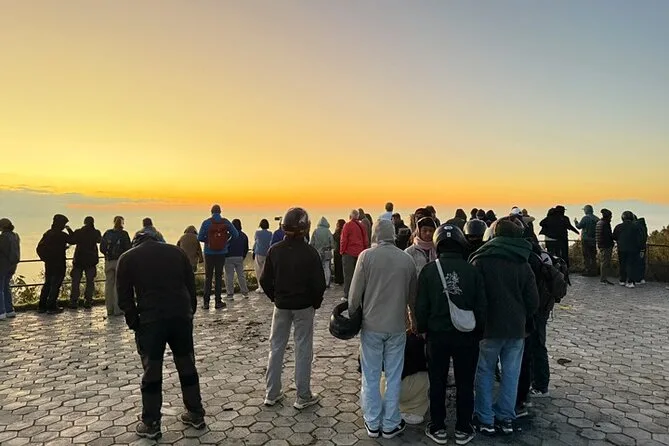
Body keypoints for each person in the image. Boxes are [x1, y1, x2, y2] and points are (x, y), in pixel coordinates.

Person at [117, 230, 206, 439]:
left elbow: (124, 297)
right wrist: (189, 312)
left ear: (136, 242)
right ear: (158, 239)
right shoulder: (177, 253)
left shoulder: (128, 258)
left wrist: (134, 322)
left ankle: (151, 423)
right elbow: (190, 286)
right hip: (180, 317)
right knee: (187, 365)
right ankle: (195, 413)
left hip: (151, 321)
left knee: (152, 371)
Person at [416, 224, 485, 445]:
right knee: (465, 382)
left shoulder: (429, 271)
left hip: (437, 336)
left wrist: (422, 329)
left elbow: (421, 307)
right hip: (466, 336)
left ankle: (438, 427)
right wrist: (479, 332)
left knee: (437, 381)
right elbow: (481, 306)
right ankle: (464, 427)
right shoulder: (472, 270)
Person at [469, 218, 539, 436]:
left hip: (489, 328)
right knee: (511, 373)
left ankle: (485, 417)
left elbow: (474, 297)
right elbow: (533, 301)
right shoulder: (523, 262)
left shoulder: (480, 260)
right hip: (516, 329)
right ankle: (506, 417)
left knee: (485, 371)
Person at [349, 219, 417, 440]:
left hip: (371, 326)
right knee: (393, 376)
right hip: (397, 327)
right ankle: (390, 424)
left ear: (375, 235)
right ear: (393, 235)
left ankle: (372, 422)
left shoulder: (366, 257)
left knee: (370, 375)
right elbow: (413, 297)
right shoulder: (406, 259)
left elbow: (354, 296)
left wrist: (352, 316)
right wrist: (414, 322)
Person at [260, 208, 326, 410]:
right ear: (305, 228)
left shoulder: (275, 250)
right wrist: (315, 302)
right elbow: (319, 284)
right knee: (303, 348)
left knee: (276, 347)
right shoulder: (310, 253)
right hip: (304, 306)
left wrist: (275, 298)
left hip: (281, 306)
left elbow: (264, 280)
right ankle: (303, 395)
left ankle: (272, 393)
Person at [379, 332, 429, 426]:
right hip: (410, 389)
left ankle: (381, 407)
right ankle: (413, 409)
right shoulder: (419, 340)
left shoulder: (380, 335)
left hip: (385, 389)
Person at [197, 205, 239, 309]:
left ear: (211, 212)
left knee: (208, 277)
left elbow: (200, 237)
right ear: (220, 212)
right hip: (221, 252)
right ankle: (218, 301)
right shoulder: (226, 222)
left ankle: (206, 303)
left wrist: (208, 241)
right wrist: (226, 243)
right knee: (219, 276)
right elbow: (236, 234)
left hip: (209, 253)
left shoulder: (206, 223)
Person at [36, 214, 73, 314]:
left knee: (47, 284)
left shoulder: (48, 233)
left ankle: (42, 306)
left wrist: (45, 258)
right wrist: (69, 229)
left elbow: (39, 248)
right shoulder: (62, 235)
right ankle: (51, 306)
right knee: (55, 285)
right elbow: (73, 240)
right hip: (59, 263)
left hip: (49, 263)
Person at [67, 216, 102, 309]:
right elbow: (99, 240)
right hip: (91, 261)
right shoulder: (96, 232)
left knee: (75, 281)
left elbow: (72, 240)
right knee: (90, 281)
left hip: (79, 260)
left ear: (84, 222)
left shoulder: (79, 232)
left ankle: (74, 301)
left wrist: (69, 230)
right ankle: (88, 301)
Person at [100, 216, 132, 316]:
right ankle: (118, 309)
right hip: (119, 261)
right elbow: (128, 248)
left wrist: (107, 255)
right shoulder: (124, 234)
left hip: (108, 261)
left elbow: (102, 247)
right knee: (118, 286)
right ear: (122, 223)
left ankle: (109, 309)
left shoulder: (108, 233)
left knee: (109, 285)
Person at [340, 210, 368, 301]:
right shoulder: (362, 226)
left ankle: (347, 294)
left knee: (348, 275)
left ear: (350, 216)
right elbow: (365, 239)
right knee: (359, 275)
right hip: (360, 252)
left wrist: (342, 251)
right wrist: (364, 250)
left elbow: (344, 239)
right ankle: (359, 294)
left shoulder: (347, 225)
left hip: (349, 252)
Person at [613, 211, 643, 288]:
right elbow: (640, 238)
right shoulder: (636, 227)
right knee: (631, 265)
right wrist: (641, 248)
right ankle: (630, 281)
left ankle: (622, 280)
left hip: (621, 248)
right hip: (633, 249)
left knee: (622, 264)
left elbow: (614, 237)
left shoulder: (618, 226)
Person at [223, 219, 249, 300]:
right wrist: (243, 256)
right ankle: (245, 293)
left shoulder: (229, 235)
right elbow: (246, 248)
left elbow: (224, 245)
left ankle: (230, 294)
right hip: (239, 257)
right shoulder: (244, 235)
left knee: (229, 276)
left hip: (228, 257)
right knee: (241, 275)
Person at [0, 218, 20, 319]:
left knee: (0, 288)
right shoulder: (15, 236)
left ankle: (1, 312)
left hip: (2, 265)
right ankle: (9, 310)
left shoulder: (3, 237)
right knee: (6, 287)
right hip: (12, 265)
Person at [574, 205, 600, 276]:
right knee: (593, 256)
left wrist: (576, 222)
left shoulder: (585, 218)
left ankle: (588, 270)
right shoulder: (597, 218)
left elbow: (579, 226)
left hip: (585, 239)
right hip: (593, 239)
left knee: (586, 255)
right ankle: (594, 271)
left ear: (586, 210)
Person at [310, 217, 335, 288]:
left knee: (318, 267)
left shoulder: (315, 231)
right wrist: (331, 247)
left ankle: (319, 282)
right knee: (327, 267)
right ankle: (327, 282)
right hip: (327, 251)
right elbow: (332, 243)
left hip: (317, 252)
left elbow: (312, 243)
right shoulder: (328, 231)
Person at [253, 219, 273, 293]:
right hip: (267, 253)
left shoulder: (257, 233)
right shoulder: (270, 233)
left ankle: (260, 287)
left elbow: (256, 241)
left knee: (259, 270)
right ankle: (266, 287)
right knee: (266, 271)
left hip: (259, 253)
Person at [596, 209, 615, 285]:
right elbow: (608, 235)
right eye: (611, 216)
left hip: (601, 245)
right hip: (606, 245)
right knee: (605, 262)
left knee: (603, 261)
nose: (611, 217)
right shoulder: (605, 224)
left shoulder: (599, 222)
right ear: (608, 216)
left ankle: (603, 278)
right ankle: (603, 279)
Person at [634, 216, 648, 284]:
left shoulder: (636, 226)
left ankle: (637, 279)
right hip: (643, 247)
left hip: (636, 247)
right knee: (641, 262)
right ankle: (641, 278)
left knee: (636, 263)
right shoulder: (643, 226)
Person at [332, 219, 346, 286]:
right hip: (343, 251)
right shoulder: (344, 231)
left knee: (337, 266)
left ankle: (338, 280)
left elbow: (334, 239)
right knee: (341, 266)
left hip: (337, 250)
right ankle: (342, 279)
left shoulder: (337, 232)